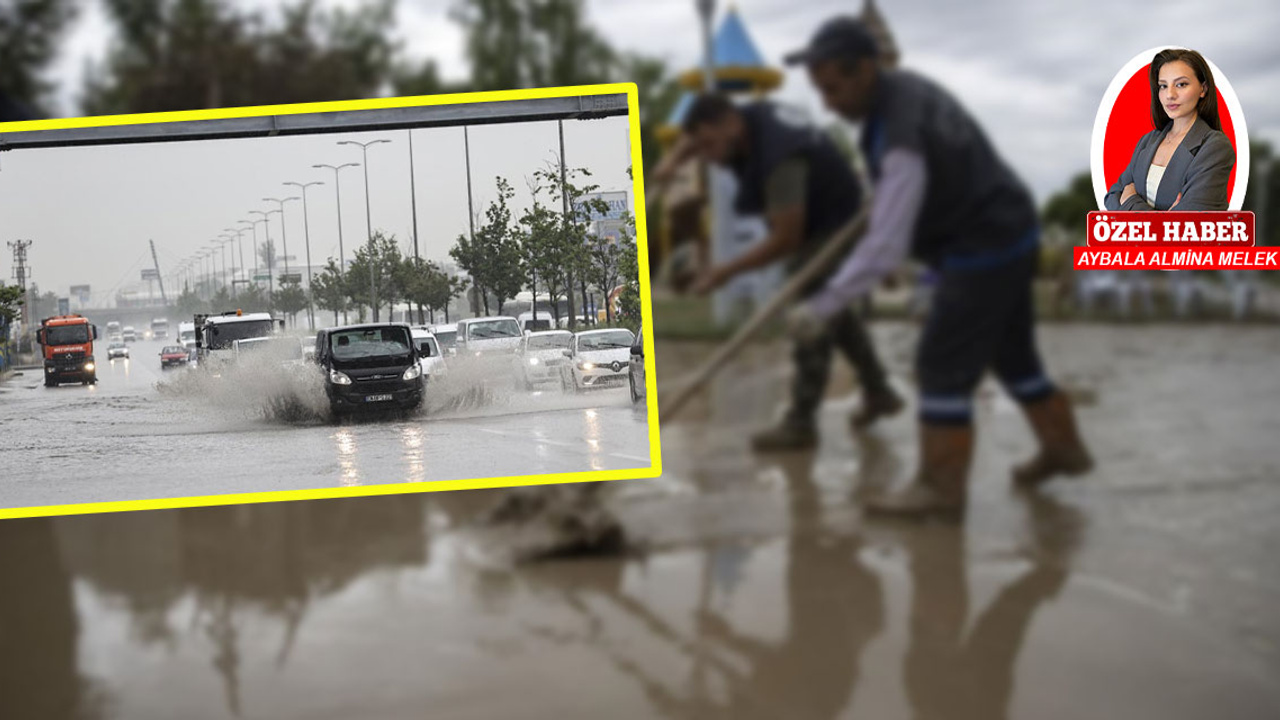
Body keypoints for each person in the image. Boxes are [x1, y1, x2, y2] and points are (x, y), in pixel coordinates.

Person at [784, 16, 1092, 517]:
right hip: (1009, 232)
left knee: (940, 363)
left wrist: (824, 304)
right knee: (1014, 359)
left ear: (864, 69)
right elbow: (895, 211)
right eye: (820, 91)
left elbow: (887, 240)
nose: (828, 104)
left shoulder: (900, 126)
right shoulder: (901, 99)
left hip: (983, 244)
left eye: (834, 88)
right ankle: (1064, 449)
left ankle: (940, 491)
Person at [651, 95, 903, 451]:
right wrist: (672, 162)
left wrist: (724, 272)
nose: (706, 155)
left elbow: (786, 239)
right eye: (701, 145)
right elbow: (696, 135)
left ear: (730, 124)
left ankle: (801, 423)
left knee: (809, 308)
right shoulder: (739, 120)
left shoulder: (779, 158)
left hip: (837, 222)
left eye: (710, 145)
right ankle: (879, 391)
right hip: (817, 211)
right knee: (832, 311)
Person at [1105, 48, 1235, 212]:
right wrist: (1165, 218)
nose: (1170, 95)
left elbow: (1186, 226)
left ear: (1203, 89)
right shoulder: (1148, 140)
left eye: (1181, 84)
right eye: (1163, 86)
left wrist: (1131, 201)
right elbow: (1112, 196)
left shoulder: (1215, 147)